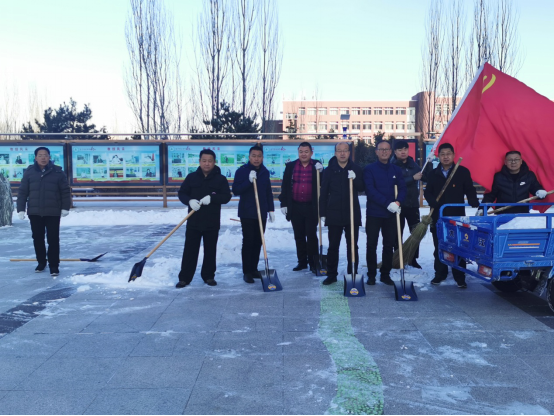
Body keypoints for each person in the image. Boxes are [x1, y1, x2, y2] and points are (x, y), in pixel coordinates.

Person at [424, 143, 480, 289]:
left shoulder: (462, 172)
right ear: (438, 157)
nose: (446, 157)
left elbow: (469, 189)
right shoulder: (433, 174)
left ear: (454, 155)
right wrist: (432, 202)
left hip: (457, 216)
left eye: (448, 153)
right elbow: (427, 192)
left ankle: (459, 276)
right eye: (442, 154)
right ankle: (440, 273)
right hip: (438, 216)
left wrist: (473, 199)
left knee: (458, 246)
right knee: (439, 245)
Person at [177, 149, 232, 288]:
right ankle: (185, 278)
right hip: (194, 221)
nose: (207, 163)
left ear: (214, 162)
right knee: (190, 250)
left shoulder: (220, 179)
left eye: (210, 161)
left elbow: (226, 197)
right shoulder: (191, 177)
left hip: (211, 222)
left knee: (210, 251)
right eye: (204, 160)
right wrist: (189, 201)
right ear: (200, 161)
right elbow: (182, 193)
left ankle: (208, 276)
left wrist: (213, 198)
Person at [16, 147, 71, 277]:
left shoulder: (58, 172)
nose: (43, 158)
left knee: (53, 239)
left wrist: (65, 207)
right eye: (40, 155)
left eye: (45, 155)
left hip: (53, 211)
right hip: (35, 211)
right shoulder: (29, 172)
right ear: (36, 158)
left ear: (49, 157)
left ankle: (54, 265)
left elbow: (65, 191)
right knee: (37, 238)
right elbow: (23, 192)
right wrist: (21, 209)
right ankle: (41, 262)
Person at [319, 142, 365, 286]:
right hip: (333, 213)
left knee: (352, 246)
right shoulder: (329, 171)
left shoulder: (356, 169)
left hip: (352, 212)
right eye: (339, 151)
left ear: (349, 153)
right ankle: (331, 274)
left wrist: (355, 179)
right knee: (333, 246)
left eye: (345, 150)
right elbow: (324, 192)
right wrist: (322, 212)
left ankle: (352, 272)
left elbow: (362, 188)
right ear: (335, 153)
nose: (342, 153)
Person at [364, 140, 407, 286]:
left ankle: (385, 274)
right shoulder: (369, 169)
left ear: (391, 152)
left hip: (391, 215)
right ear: (376, 152)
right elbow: (370, 190)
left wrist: (398, 202)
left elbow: (402, 188)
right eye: (381, 149)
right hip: (374, 214)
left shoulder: (396, 170)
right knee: (371, 245)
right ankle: (371, 274)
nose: (384, 152)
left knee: (388, 245)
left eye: (387, 149)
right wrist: (387, 203)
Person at [233, 145, 276, 284]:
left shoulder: (265, 172)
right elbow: (236, 190)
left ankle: (253, 269)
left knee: (258, 241)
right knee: (248, 241)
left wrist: (271, 209)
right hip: (247, 212)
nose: (256, 159)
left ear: (262, 157)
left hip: (261, 212)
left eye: (259, 156)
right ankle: (247, 271)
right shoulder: (242, 171)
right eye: (254, 156)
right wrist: (249, 181)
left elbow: (268, 191)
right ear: (249, 157)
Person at [279, 142, 324, 273]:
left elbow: (324, 183)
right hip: (295, 206)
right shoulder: (291, 166)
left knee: (311, 235)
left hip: (311, 207)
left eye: (306, 151)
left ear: (311, 153)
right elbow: (285, 186)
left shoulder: (317, 166)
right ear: (298, 152)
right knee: (299, 235)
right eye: (301, 152)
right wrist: (284, 203)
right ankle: (302, 262)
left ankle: (314, 262)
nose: (303, 154)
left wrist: (322, 172)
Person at [479, 151, 547, 215]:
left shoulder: (529, 175)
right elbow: (491, 195)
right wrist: (482, 209)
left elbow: (535, 187)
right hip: (502, 216)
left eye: (516, 159)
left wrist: (539, 191)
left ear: (521, 161)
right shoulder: (498, 177)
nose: (513, 162)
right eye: (510, 160)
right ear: (505, 162)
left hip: (522, 215)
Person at [391, 141, 424, 269]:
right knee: (396, 233)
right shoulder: (391, 166)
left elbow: (424, 177)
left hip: (412, 204)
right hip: (397, 204)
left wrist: (428, 168)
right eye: (400, 150)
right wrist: (412, 178)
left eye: (405, 149)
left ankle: (412, 258)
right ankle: (397, 257)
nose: (403, 152)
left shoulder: (414, 165)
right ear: (395, 152)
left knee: (416, 232)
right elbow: (394, 183)